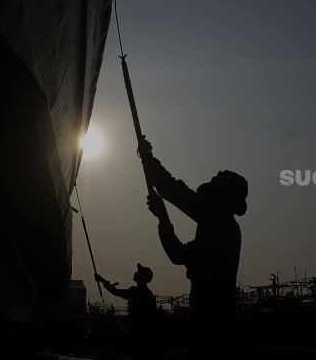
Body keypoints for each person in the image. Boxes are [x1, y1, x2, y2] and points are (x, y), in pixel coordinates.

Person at [139, 137, 247, 359]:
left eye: (217, 181)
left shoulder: (218, 222)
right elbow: (179, 254)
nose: (210, 181)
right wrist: (163, 216)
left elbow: (173, 191)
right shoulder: (220, 224)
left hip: (211, 320)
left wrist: (148, 159)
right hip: (213, 317)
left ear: (222, 196)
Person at [95, 264, 156, 359]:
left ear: (142, 277)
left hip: (138, 334)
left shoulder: (136, 292)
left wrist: (102, 280)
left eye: (138, 272)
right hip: (143, 334)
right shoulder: (147, 294)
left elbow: (116, 292)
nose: (135, 273)